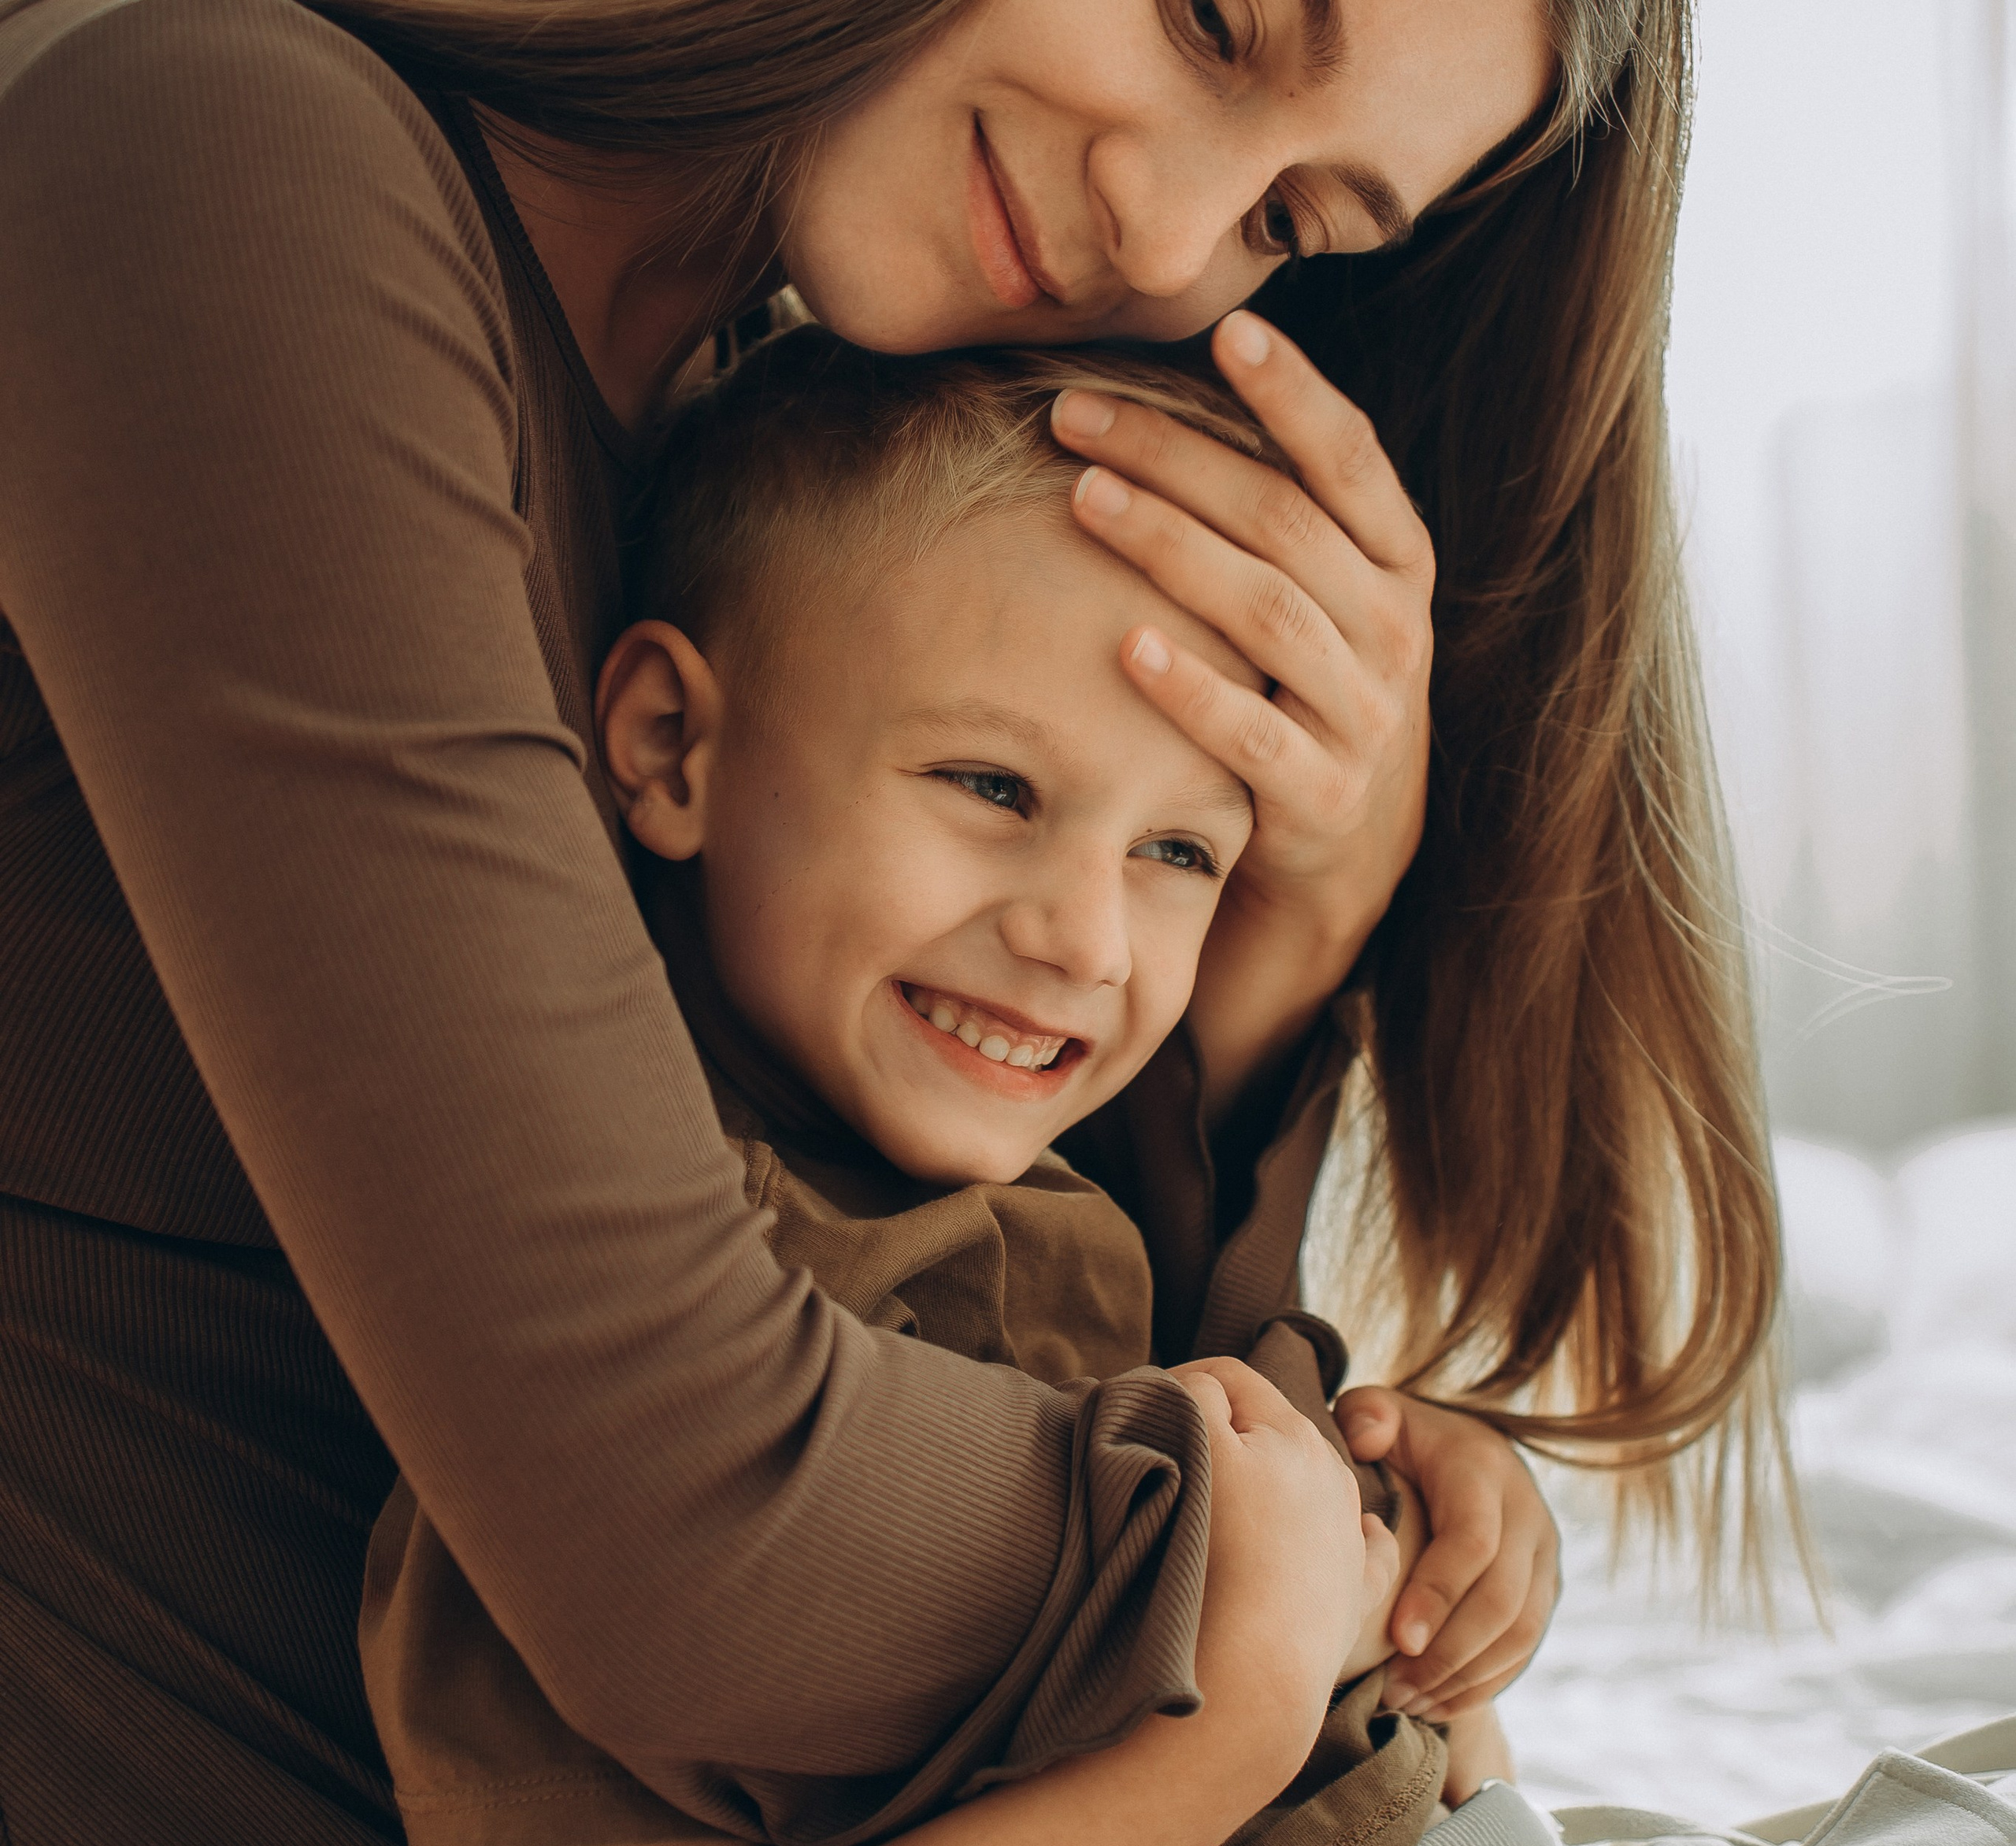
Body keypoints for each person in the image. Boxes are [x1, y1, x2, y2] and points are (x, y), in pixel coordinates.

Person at [0, 0, 1780, 1840]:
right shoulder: (210, 147)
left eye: (1294, 216)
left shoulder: (774, 435)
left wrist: (1289, 935)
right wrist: (1286, 1549)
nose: (1167, 229)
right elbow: (694, 1542)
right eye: (1205, 5)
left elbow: (981, 1334)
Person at [361, 331, 1475, 1846]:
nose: (1083, 938)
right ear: (672, 746)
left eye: (1178, 853)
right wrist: (1236, 1723)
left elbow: (1225, 1500)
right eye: (993, 788)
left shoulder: (1016, 1210)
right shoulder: (645, 1350)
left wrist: (1399, 1532)